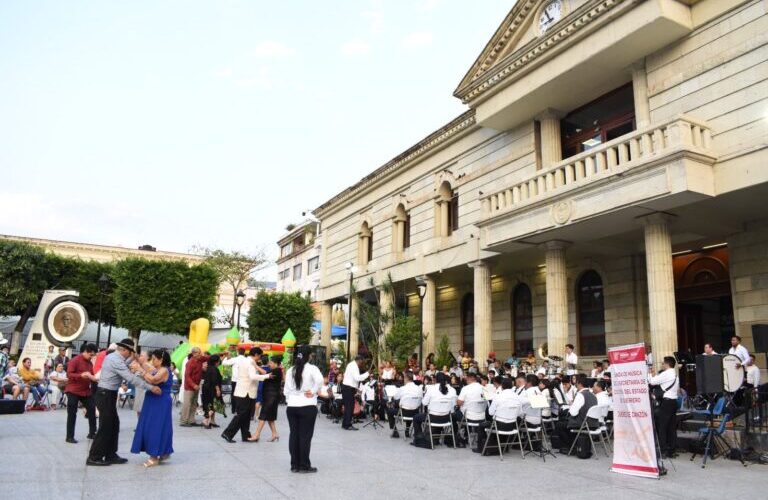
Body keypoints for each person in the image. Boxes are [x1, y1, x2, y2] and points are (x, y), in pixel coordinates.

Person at [87, 338, 161, 466]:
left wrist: (133, 358)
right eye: (131, 352)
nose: (131, 354)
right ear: (125, 350)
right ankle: (94, 457)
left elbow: (125, 363)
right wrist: (151, 387)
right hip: (105, 394)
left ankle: (110, 454)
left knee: (114, 425)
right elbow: (130, 377)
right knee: (105, 426)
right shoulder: (115, 360)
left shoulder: (115, 358)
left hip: (108, 394)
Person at [131, 349, 174, 467]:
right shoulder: (158, 369)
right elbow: (148, 367)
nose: (152, 361)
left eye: (154, 359)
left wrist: (140, 370)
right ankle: (162, 452)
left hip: (160, 401)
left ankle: (154, 456)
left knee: (155, 428)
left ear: (161, 360)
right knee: (150, 426)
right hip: (152, 400)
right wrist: (139, 361)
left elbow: (153, 379)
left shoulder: (164, 370)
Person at [283, 352, 323, 473]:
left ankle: (294, 465)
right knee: (305, 436)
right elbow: (320, 380)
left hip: (292, 406)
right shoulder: (312, 368)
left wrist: (290, 400)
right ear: (308, 356)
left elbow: (286, 390)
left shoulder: (290, 370)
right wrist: (314, 391)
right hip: (307, 405)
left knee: (294, 435)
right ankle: (304, 465)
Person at [221, 347, 271, 443]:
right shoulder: (249, 362)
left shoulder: (245, 360)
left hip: (244, 391)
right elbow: (252, 376)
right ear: (256, 354)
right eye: (260, 356)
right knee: (242, 415)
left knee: (246, 415)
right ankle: (228, 433)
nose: (260, 358)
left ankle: (245, 435)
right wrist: (266, 376)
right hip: (246, 392)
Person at [411, 372, 461, 447]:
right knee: (442, 413)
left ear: (435, 379)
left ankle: (419, 439)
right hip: (447, 419)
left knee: (416, 418)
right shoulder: (452, 390)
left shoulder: (431, 389)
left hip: (433, 418)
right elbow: (454, 405)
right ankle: (437, 439)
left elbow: (424, 403)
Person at [473, 377, 522, 453]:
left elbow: (490, 413)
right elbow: (520, 413)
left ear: (502, 386)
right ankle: (504, 447)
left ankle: (481, 448)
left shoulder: (498, 396)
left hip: (499, 425)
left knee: (481, 425)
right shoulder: (517, 397)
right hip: (512, 426)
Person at [556, 374, 598, 453]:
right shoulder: (593, 395)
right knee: (565, 423)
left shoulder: (580, 395)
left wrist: (572, 406)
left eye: (576, 384)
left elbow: (573, 413)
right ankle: (574, 445)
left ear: (579, 384)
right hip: (593, 422)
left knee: (560, 425)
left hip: (583, 423)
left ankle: (569, 447)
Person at [649, 356, 679, 458]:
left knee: (662, 427)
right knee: (671, 427)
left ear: (667, 364)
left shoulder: (666, 373)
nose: (662, 365)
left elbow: (652, 382)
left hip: (666, 403)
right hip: (673, 402)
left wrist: (650, 374)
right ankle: (672, 450)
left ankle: (663, 451)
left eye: (663, 363)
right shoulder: (675, 374)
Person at [252, 355, 284, 442]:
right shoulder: (274, 370)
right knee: (270, 417)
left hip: (271, 396)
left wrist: (255, 366)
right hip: (270, 396)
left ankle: (256, 435)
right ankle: (275, 434)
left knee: (263, 415)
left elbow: (265, 374)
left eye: (271, 362)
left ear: (276, 364)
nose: (269, 364)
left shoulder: (277, 371)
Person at [386, 370, 422, 438]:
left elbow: (396, 397)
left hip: (404, 413)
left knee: (389, 411)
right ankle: (407, 430)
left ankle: (395, 432)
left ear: (406, 378)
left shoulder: (403, 388)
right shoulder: (419, 388)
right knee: (410, 406)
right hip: (416, 413)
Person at [180, 347, 210, 426]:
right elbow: (187, 376)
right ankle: (183, 421)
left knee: (194, 404)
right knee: (187, 404)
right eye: (198, 353)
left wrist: (221, 354)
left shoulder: (200, 359)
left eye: (200, 352)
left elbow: (208, 357)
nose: (200, 354)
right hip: (190, 387)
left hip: (196, 386)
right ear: (193, 354)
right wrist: (193, 385)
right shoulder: (190, 363)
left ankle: (191, 420)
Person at [341, 355, 370, 431]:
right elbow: (357, 378)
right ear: (359, 360)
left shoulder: (352, 365)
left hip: (347, 387)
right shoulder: (354, 366)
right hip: (348, 388)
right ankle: (347, 425)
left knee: (348, 406)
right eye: (362, 361)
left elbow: (353, 380)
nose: (362, 363)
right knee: (350, 407)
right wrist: (367, 374)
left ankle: (345, 423)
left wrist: (356, 389)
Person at [201, 354, 223, 429]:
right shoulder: (214, 369)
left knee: (209, 404)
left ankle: (212, 421)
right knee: (215, 405)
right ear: (216, 362)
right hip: (212, 389)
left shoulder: (208, 368)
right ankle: (206, 420)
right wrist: (217, 389)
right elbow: (215, 381)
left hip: (206, 388)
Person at [133, 350, 148, 419]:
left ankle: (142, 427)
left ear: (147, 357)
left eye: (141, 356)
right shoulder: (139, 365)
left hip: (144, 392)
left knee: (142, 411)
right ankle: (139, 426)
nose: (139, 357)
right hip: (138, 391)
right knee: (138, 411)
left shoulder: (148, 366)